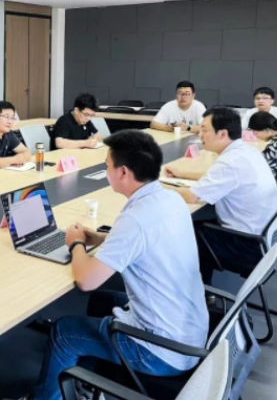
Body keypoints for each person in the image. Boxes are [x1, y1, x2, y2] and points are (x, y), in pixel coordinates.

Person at [13, 131, 208, 400]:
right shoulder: (170, 199)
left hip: (160, 352)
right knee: (102, 302)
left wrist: (75, 243)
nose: (106, 171)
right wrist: (99, 238)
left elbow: (86, 280)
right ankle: (88, 381)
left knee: (63, 332)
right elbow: (145, 242)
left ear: (123, 172)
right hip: (189, 334)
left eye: (107, 165)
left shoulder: (136, 218)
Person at [165, 107, 277, 285]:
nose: (200, 135)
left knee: (183, 232)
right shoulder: (245, 150)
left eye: (204, 130)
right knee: (197, 222)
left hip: (248, 246)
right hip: (268, 237)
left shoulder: (229, 162)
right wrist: (183, 173)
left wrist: (155, 186)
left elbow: (191, 196)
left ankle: (199, 293)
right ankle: (203, 289)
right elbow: (220, 177)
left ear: (222, 134)